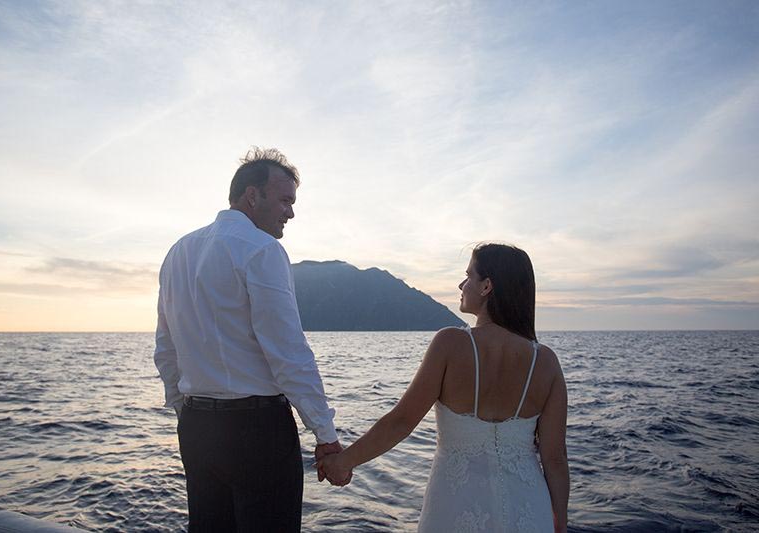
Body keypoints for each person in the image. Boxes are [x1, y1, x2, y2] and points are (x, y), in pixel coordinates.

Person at [154, 147, 345, 532]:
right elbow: (289, 354)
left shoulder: (179, 252)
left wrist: (184, 412)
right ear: (252, 196)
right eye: (284, 200)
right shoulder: (263, 250)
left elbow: (166, 348)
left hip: (197, 430)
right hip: (256, 432)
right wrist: (324, 434)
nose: (290, 212)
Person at [319, 243, 569, 532]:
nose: (462, 284)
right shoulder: (546, 361)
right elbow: (555, 457)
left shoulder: (451, 343)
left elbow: (401, 422)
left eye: (469, 276)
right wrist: (559, 521)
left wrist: (343, 462)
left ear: (487, 286)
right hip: (529, 510)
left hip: (455, 507)